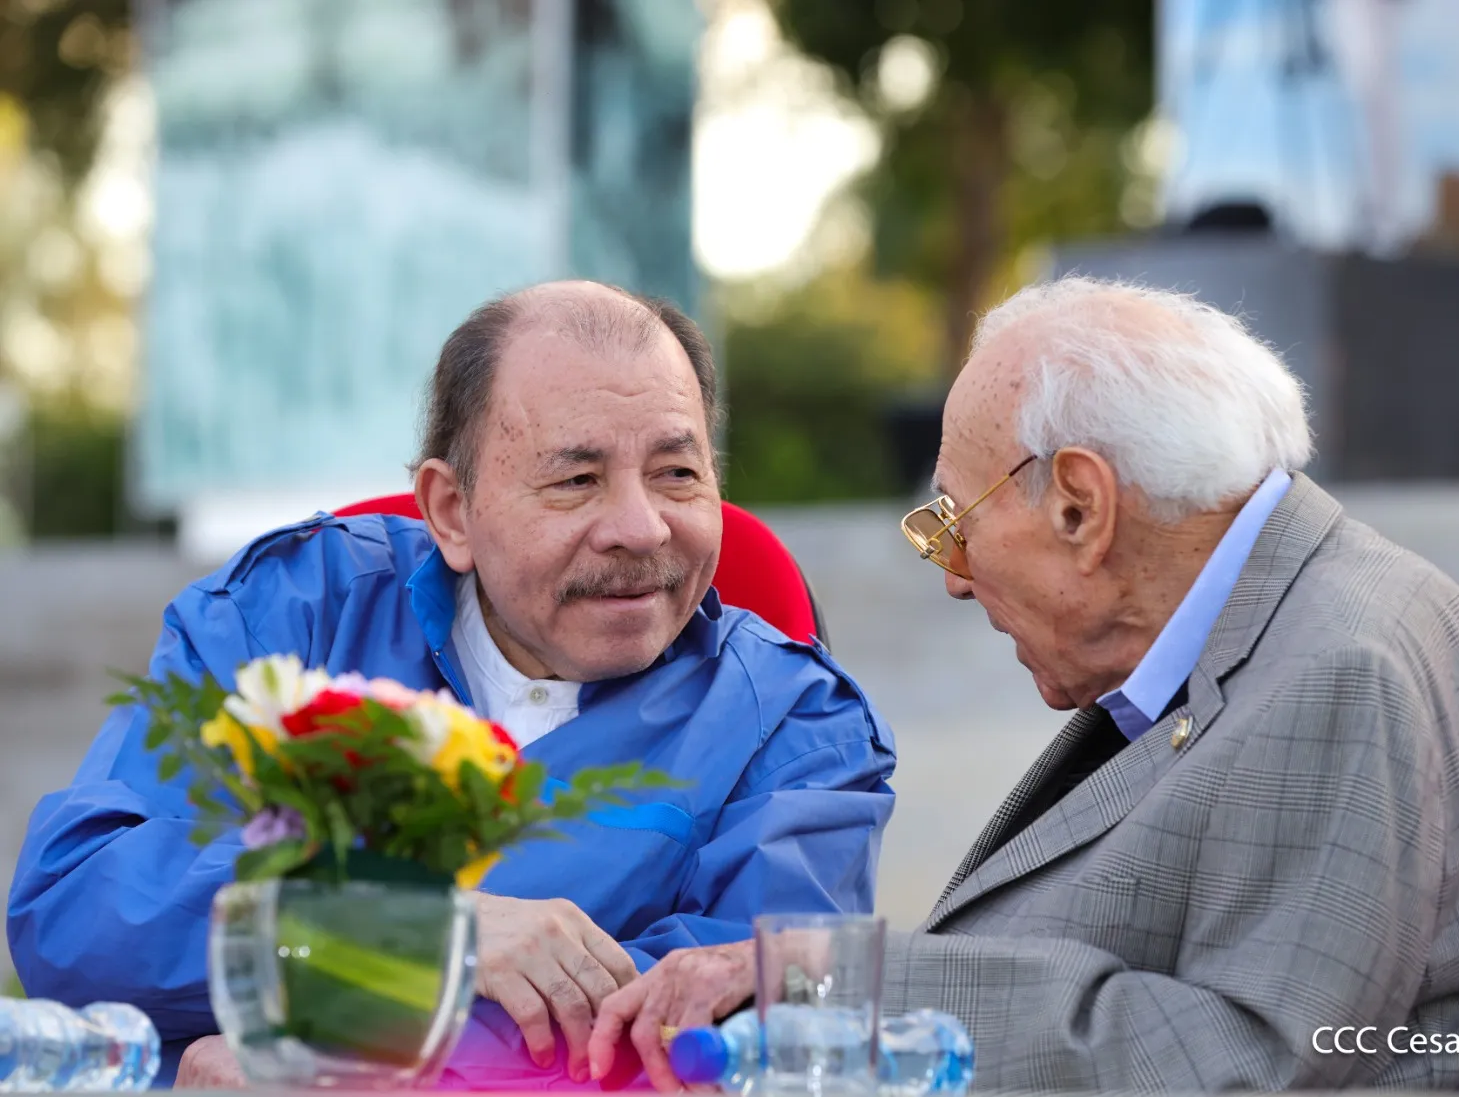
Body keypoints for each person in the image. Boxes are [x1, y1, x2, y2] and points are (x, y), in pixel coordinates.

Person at [588, 276, 1459, 1091]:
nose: (951, 577)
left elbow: (1252, 1064)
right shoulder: (1273, 620)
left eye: (954, 524)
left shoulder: (1338, 672)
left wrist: (839, 988)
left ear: (1080, 505)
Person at [7, 282, 896, 1089]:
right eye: (577, 479)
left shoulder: (795, 726)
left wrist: (305, 1041)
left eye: (678, 474)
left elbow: (730, 1034)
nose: (640, 527)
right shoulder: (289, 618)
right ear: (451, 511)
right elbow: (77, 916)